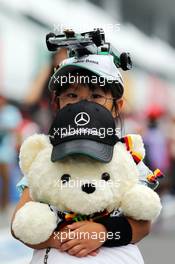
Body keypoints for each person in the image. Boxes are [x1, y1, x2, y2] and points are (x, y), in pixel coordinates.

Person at [11, 54, 156, 263]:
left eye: (96, 96)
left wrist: (102, 233)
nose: (83, 105)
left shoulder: (127, 156)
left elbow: (142, 226)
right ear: (57, 103)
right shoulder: (45, 158)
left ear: (118, 106)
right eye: (71, 95)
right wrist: (58, 240)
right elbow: (20, 225)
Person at [0, 95, 22, 210]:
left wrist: (19, 145)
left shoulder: (11, 112)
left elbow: (17, 130)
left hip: (6, 151)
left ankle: (5, 204)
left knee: (6, 177)